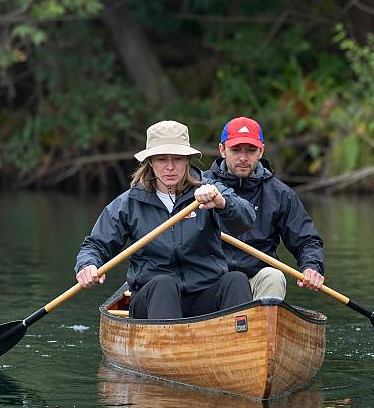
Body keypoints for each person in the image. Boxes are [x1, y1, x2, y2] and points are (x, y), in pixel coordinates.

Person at [75, 120, 255, 319]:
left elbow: (246, 220)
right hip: (152, 300)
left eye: (177, 159)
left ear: (187, 160)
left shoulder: (209, 191)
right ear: (150, 161)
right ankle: (167, 347)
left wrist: (223, 203)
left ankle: (240, 343)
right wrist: (87, 265)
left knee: (236, 279)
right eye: (162, 159)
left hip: (204, 295)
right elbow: (95, 245)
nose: (170, 167)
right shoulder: (129, 203)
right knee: (164, 283)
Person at [204, 116, 324, 300]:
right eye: (235, 150)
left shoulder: (281, 194)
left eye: (251, 150)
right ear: (222, 150)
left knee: (274, 276)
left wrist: (311, 267)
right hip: (211, 281)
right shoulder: (200, 186)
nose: (243, 158)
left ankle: (263, 326)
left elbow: (306, 240)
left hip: (257, 280)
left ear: (261, 151)